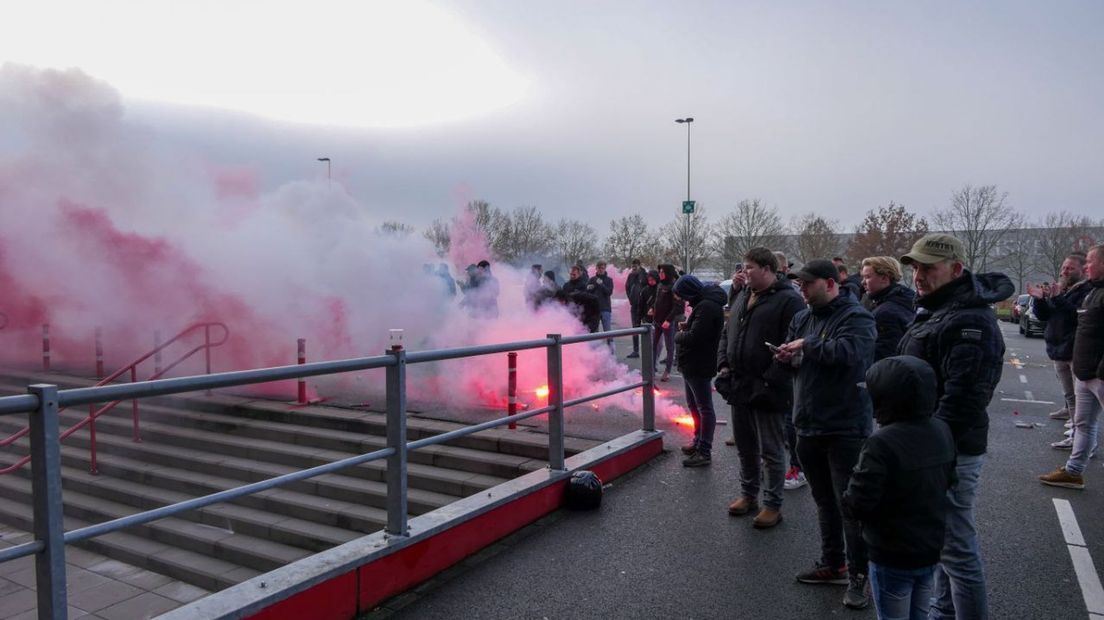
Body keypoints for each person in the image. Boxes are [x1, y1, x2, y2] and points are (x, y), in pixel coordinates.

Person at [896, 233, 1013, 620]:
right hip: (931, 445)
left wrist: (925, 454)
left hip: (949, 451)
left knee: (956, 549)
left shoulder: (970, 320)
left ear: (956, 269)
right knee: (943, 545)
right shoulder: (938, 308)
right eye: (915, 267)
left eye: (928, 267)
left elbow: (962, 400)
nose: (918, 275)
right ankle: (943, 612)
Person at [774, 258, 876, 610]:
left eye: (807, 283)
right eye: (798, 283)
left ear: (830, 284)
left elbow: (852, 354)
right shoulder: (803, 316)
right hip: (808, 422)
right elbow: (797, 350)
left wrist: (806, 345)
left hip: (846, 426)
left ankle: (860, 575)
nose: (800, 288)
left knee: (850, 504)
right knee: (824, 501)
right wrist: (786, 355)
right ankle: (833, 562)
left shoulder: (856, 316)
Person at [842, 356, 956, 620]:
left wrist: (848, 501)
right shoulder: (941, 430)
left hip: (890, 550)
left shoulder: (881, 443)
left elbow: (859, 501)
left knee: (892, 610)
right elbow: (951, 480)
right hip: (929, 546)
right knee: (920, 608)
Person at [717, 248, 805, 526]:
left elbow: (793, 345)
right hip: (739, 384)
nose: (744, 272)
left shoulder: (789, 301)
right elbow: (727, 332)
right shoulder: (743, 295)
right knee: (745, 446)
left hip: (768, 387)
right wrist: (723, 364)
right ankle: (749, 494)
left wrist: (771, 378)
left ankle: (772, 504)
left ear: (768, 268)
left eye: (749, 267)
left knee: (771, 449)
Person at [1040, 244, 1104, 490]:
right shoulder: (1092, 292)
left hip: (1098, 374)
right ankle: (1073, 472)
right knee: (1083, 424)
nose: (1086, 266)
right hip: (1085, 372)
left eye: (1090, 261)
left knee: (1084, 423)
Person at [671, 275, 728, 467]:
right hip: (693, 363)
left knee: (703, 407)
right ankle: (697, 441)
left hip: (699, 363)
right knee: (694, 405)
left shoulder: (706, 306)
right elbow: (701, 330)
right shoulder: (704, 304)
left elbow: (697, 337)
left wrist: (679, 335)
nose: (682, 300)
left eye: (682, 295)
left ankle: (704, 450)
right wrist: (689, 326)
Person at [1029, 253, 1091, 428]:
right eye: (1064, 267)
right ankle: (1074, 427)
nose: (1065, 271)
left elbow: (1075, 315)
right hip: (1057, 349)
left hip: (1074, 349)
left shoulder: (1086, 290)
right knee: (1070, 395)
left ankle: (1079, 431)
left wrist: (1057, 298)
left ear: (1082, 270)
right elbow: (1044, 316)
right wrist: (1039, 299)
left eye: (1071, 268)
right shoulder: (1061, 290)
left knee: (1080, 396)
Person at [860, 256, 916, 361]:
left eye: (867, 277)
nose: (862, 282)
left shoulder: (885, 313)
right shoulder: (905, 299)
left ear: (884, 278)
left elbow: (884, 354)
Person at [649, 264, 682, 381]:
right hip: (657, 321)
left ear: (667, 273)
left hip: (668, 322)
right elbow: (657, 301)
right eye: (660, 272)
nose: (660, 274)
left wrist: (668, 320)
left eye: (662, 272)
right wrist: (653, 309)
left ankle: (667, 371)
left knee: (670, 347)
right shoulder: (659, 285)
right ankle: (651, 370)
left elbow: (677, 306)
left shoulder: (674, 287)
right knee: (653, 346)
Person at [588, 261, 615, 352]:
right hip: (594, 309)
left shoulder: (609, 280)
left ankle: (611, 353)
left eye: (602, 268)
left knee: (608, 332)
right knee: (594, 333)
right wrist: (589, 288)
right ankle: (595, 353)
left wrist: (601, 284)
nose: (600, 270)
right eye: (599, 268)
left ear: (605, 269)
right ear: (596, 268)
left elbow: (609, 292)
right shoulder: (592, 279)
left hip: (605, 309)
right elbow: (587, 292)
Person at [625, 259, 647, 358]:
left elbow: (648, 288)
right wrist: (630, 298)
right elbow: (627, 287)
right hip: (634, 306)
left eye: (635, 266)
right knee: (635, 328)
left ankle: (649, 350)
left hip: (644, 307)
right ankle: (635, 351)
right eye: (632, 266)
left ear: (639, 266)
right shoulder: (630, 276)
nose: (633, 268)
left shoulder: (644, 275)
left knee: (647, 328)